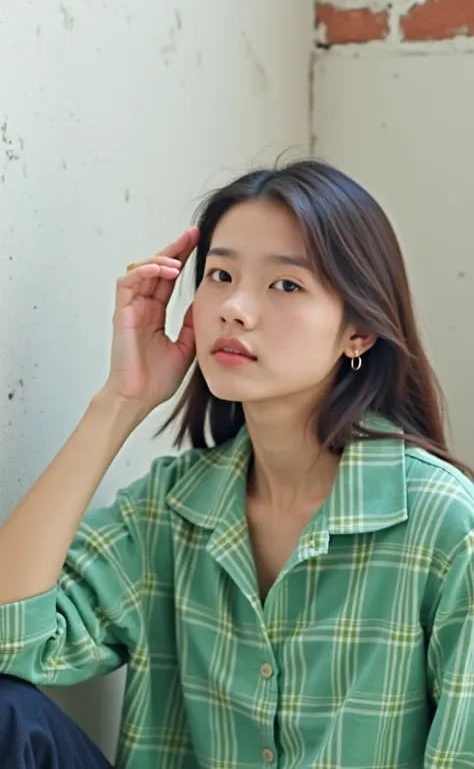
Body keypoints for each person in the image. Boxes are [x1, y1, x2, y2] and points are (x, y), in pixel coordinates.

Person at [0, 160, 473, 769]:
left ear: (358, 330)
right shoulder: (172, 510)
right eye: (220, 274)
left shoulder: (442, 525)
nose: (236, 308)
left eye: (285, 285)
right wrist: (121, 401)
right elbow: (13, 638)